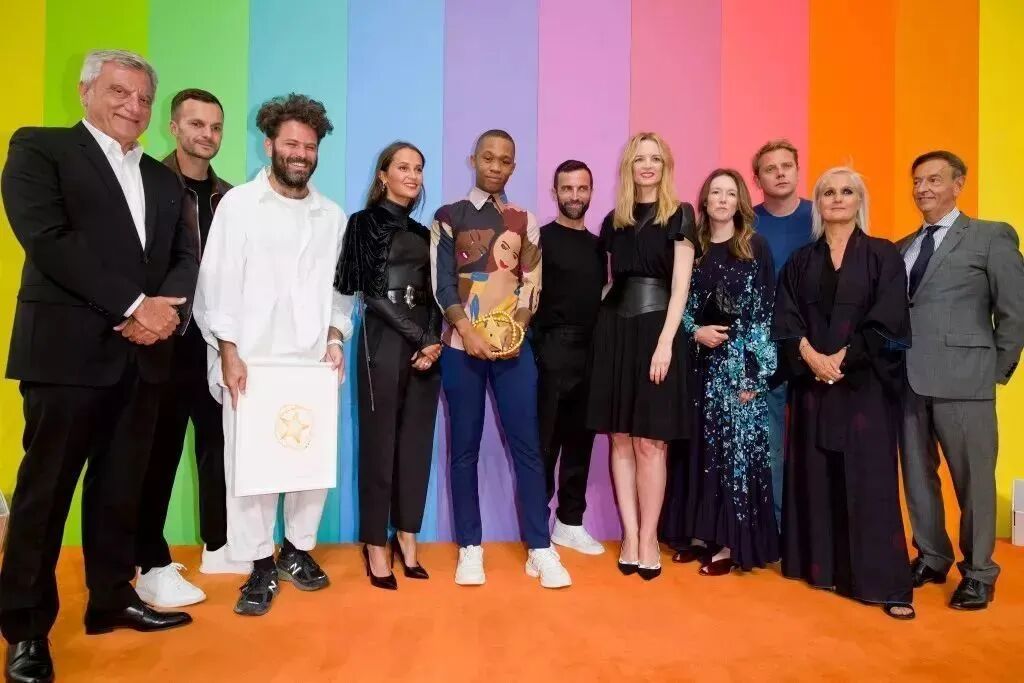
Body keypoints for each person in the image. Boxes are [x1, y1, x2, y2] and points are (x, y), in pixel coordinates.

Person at [1, 49, 196, 683]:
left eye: (143, 98)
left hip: (143, 358)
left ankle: (111, 598)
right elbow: (48, 240)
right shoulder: (41, 149)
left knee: (120, 491)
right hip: (66, 355)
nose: (132, 106)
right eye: (118, 91)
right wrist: (135, 305)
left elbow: (184, 257)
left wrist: (160, 315)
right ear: (87, 91)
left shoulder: (164, 179)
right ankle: (26, 629)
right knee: (44, 495)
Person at [193, 94, 353, 616]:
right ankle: (260, 563)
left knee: (309, 463)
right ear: (269, 145)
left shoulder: (332, 217)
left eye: (309, 146)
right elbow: (216, 283)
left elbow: (342, 291)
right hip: (251, 361)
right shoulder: (239, 205)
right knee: (249, 469)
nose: (300, 154)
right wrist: (228, 351)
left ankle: (298, 550)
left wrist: (335, 338)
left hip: (311, 363)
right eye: (291, 144)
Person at [431, 129, 571, 588]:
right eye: (488, 157)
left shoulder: (523, 220)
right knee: (464, 449)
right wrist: (467, 331)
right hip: (461, 349)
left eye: (504, 160)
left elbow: (532, 282)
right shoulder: (448, 216)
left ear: (514, 166)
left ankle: (540, 548)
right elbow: (442, 283)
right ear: (473, 159)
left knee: (528, 447)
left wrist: (515, 332)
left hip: (514, 350)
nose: (495, 166)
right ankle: (470, 547)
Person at [773, 167, 915, 620]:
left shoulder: (882, 255)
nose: (837, 198)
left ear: (860, 201)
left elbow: (889, 317)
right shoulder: (801, 260)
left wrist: (843, 359)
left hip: (865, 386)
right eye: (828, 192)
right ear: (818, 202)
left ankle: (883, 584)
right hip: (812, 385)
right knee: (816, 474)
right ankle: (823, 569)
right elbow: (786, 317)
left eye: (846, 191)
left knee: (870, 482)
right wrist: (812, 358)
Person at [134, 88, 246, 611]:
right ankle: (148, 558)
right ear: (174, 127)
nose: (207, 134)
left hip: (217, 342)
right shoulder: (147, 183)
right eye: (197, 124)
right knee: (157, 451)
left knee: (220, 445)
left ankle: (218, 544)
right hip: (165, 341)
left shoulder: (231, 198)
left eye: (215, 127)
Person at [898, 150, 1024, 610]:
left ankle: (979, 572)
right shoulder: (902, 246)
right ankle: (932, 556)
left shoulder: (991, 236)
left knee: (974, 484)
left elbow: (1014, 312)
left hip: (967, 382)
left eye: (934, 179)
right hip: (908, 381)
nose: (923, 189)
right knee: (918, 479)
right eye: (917, 181)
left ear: (959, 184)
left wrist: (992, 373)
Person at [586, 132, 699, 580]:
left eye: (655, 158)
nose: (647, 165)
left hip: (658, 330)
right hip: (615, 332)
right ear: (628, 167)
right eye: (639, 158)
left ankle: (650, 537)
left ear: (665, 166)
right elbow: (608, 283)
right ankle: (630, 536)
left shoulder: (680, 214)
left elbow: (681, 287)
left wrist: (666, 342)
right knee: (620, 437)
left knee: (651, 442)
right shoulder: (614, 220)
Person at [335, 141, 441, 589]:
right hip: (383, 339)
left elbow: (438, 293)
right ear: (383, 175)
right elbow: (372, 295)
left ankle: (407, 535)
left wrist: (433, 340)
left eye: (418, 168)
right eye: (403, 167)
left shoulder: (424, 233)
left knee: (416, 444)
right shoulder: (363, 223)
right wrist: (420, 337)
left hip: (426, 342)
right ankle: (375, 542)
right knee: (380, 444)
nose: (412, 176)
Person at [662, 169, 778, 575]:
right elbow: (678, 302)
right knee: (695, 451)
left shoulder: (755, 247)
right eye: (716, 192)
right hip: (695, 365)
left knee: (732, 455)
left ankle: (730, 545)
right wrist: (695, 331)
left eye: (731, 193)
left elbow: (764, 313)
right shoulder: (691, 247)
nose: (723, 199)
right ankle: (697, 536)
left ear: (740, 201)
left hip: (737, 368)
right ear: (705, 200)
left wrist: (754, 375)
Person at [534, 160, 606, 555]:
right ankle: (537, 533)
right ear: (555, 192)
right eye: (567, 188)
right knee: (545, 445)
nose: (574, 196)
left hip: (592, 352)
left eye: (582, 188)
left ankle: (570, 524)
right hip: (550, 350)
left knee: (581, 442)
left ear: (591, 192)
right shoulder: (540, 239)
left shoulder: (600, 246)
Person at [751, 139, 813, 530]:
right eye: (770, 168)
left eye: (786, 166)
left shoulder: (821, 216)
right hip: (764, 348)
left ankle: (811, 531)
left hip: (814, 346)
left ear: (797, 169)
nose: (780, 173)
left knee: (811, 443)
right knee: (770, 443)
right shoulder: (747, 221)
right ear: (758, 179)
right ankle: (776, 530)